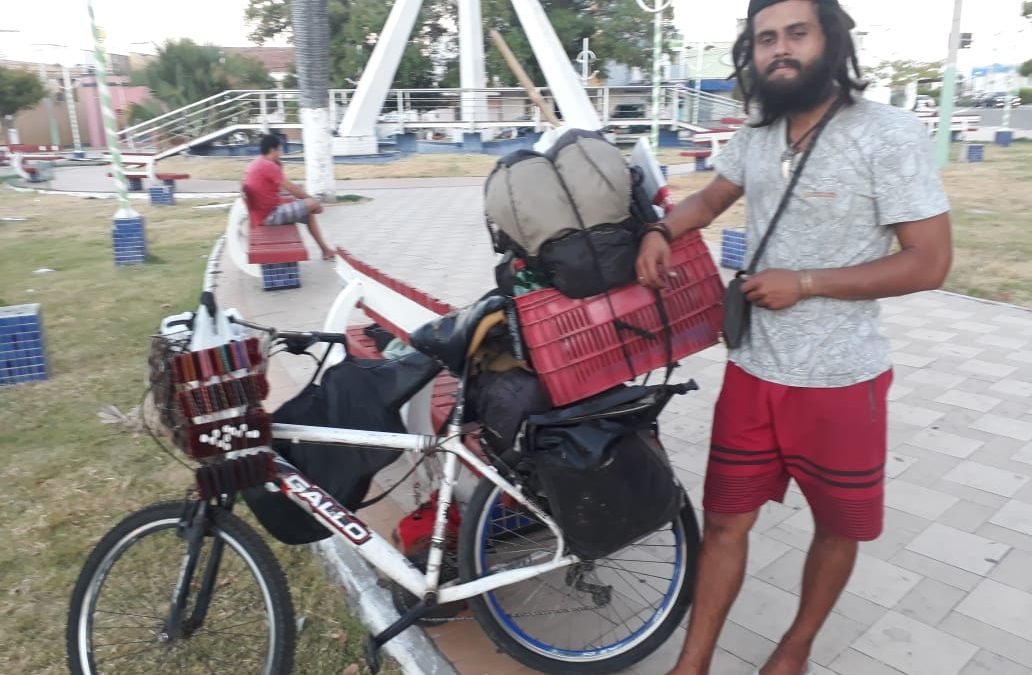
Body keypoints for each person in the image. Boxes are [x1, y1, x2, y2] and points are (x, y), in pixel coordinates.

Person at [635, 1, 952, 674]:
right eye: (765, 39)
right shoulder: (757, 133)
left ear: (831, 39)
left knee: (838, 526)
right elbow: (712, 199)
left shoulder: (887, 134)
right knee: (723, 522)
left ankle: (796, 646)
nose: (780, 50)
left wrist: (805, 282)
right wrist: (663, 229)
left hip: (843, 381)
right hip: (753, 372)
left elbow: (929, 260)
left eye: (796, 33)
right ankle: (692, 663)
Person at [243, 134, 335, 261]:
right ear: (272, 150)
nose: (281, 153)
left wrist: (279, 167)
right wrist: (314, 203)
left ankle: (325, 250)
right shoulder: (268, 166)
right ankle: (325, 250)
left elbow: (279, 188)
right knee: (311, 203)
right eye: (279, 150)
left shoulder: (257, 162)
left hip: (261, 215)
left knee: (308, 213)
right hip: (270, 216)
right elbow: (292, 189)